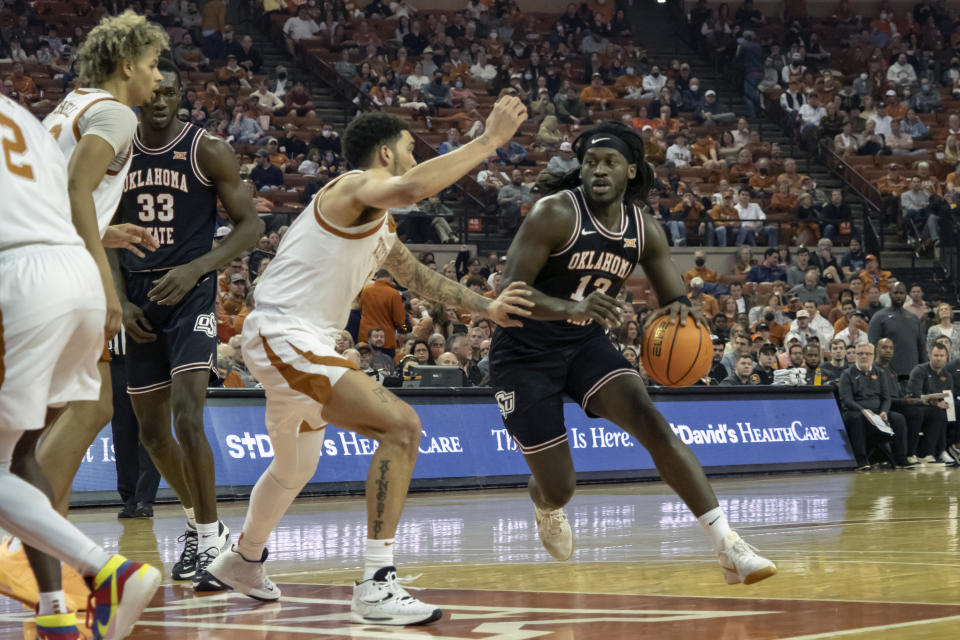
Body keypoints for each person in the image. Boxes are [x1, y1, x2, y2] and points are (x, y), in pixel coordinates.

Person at [204, 101, 535, 625]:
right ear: (386, 152)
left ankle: (244, 560)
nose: (413, 155)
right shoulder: (351, 187)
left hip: (292, 340)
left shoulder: (378, 227)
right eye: (409, 148)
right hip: (285, 333)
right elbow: (408, 189)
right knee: (401, 426)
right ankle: (378, 583)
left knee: (296, 467)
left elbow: (422, 281)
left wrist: (487, 307)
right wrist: (488, 141)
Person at [489, 121, 776, 585]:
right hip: (523, 353)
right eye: (590, 163)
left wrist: (686, 316)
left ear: (631, 171)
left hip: (583, 345)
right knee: (559, 487)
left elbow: (674, 297)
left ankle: (728, 545)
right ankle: (544, 506)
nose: (598, 171)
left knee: (652, 422)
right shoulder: (554, 213)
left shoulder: (644, 229)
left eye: (610, 163)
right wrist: (574, 306)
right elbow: (510, 293)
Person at [0, 10, 167, 624]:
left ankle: (42, 555)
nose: (157, 79)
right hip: (61, 271)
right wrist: (105, 278)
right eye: (151, 65)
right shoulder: (109, 112)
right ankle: (41, 564)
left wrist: (103, 236)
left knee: (38, 441)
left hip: (31, 269)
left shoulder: (60, 109)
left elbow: (62, 194)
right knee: (65, 425)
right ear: (126, 65)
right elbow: (75, 188)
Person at [112, 57, 260, 588]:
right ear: (139, 93)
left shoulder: (207, 149)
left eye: (169, 90)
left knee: (187, 415)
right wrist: (118, 300)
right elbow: (102, 227)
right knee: (151, 433)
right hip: (136, 296)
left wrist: (198, 268)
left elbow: (252, 224)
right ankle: (209, 526)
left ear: (181, 94)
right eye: (152, 89)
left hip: (191, 291)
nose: (159, 98)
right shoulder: (118, 152)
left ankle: (204, 531)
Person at [838, 343, 909, 470]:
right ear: (855, 355)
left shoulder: (880, 373)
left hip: (878, 414)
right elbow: (846, 400)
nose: (864, 356)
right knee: (856, 418)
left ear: (873, 356)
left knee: (899, 419)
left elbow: (886, 398)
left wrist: (884, 411)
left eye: (868, 354)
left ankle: (901, 459)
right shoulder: (847, 374)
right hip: (856, 412)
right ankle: (861, 460)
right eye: (860, 353)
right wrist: (863, 410)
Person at [906, 344, 954, 464]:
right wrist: (935, 403)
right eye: (936, 355)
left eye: (941, 355)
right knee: (937, 412)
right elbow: (914, 395)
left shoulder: (947, 375)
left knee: (948, 412)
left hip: (936, 408)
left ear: (946, 357)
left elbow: (948, 395)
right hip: (917, 406)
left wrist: (946, 405)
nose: (938, 358)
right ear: (929, 356)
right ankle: (932, 451)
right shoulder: (919, 370)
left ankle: (936, 452)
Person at [868, 282, 926, 378]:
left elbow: (921, 346)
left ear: (906, 295)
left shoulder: (913, 318)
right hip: (888, 374)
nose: (898, 296)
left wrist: (924, 368)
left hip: (912, 373)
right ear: (890, 294)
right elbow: (873, 345)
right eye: (896, 293)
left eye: (901, 293)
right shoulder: (879, 317)